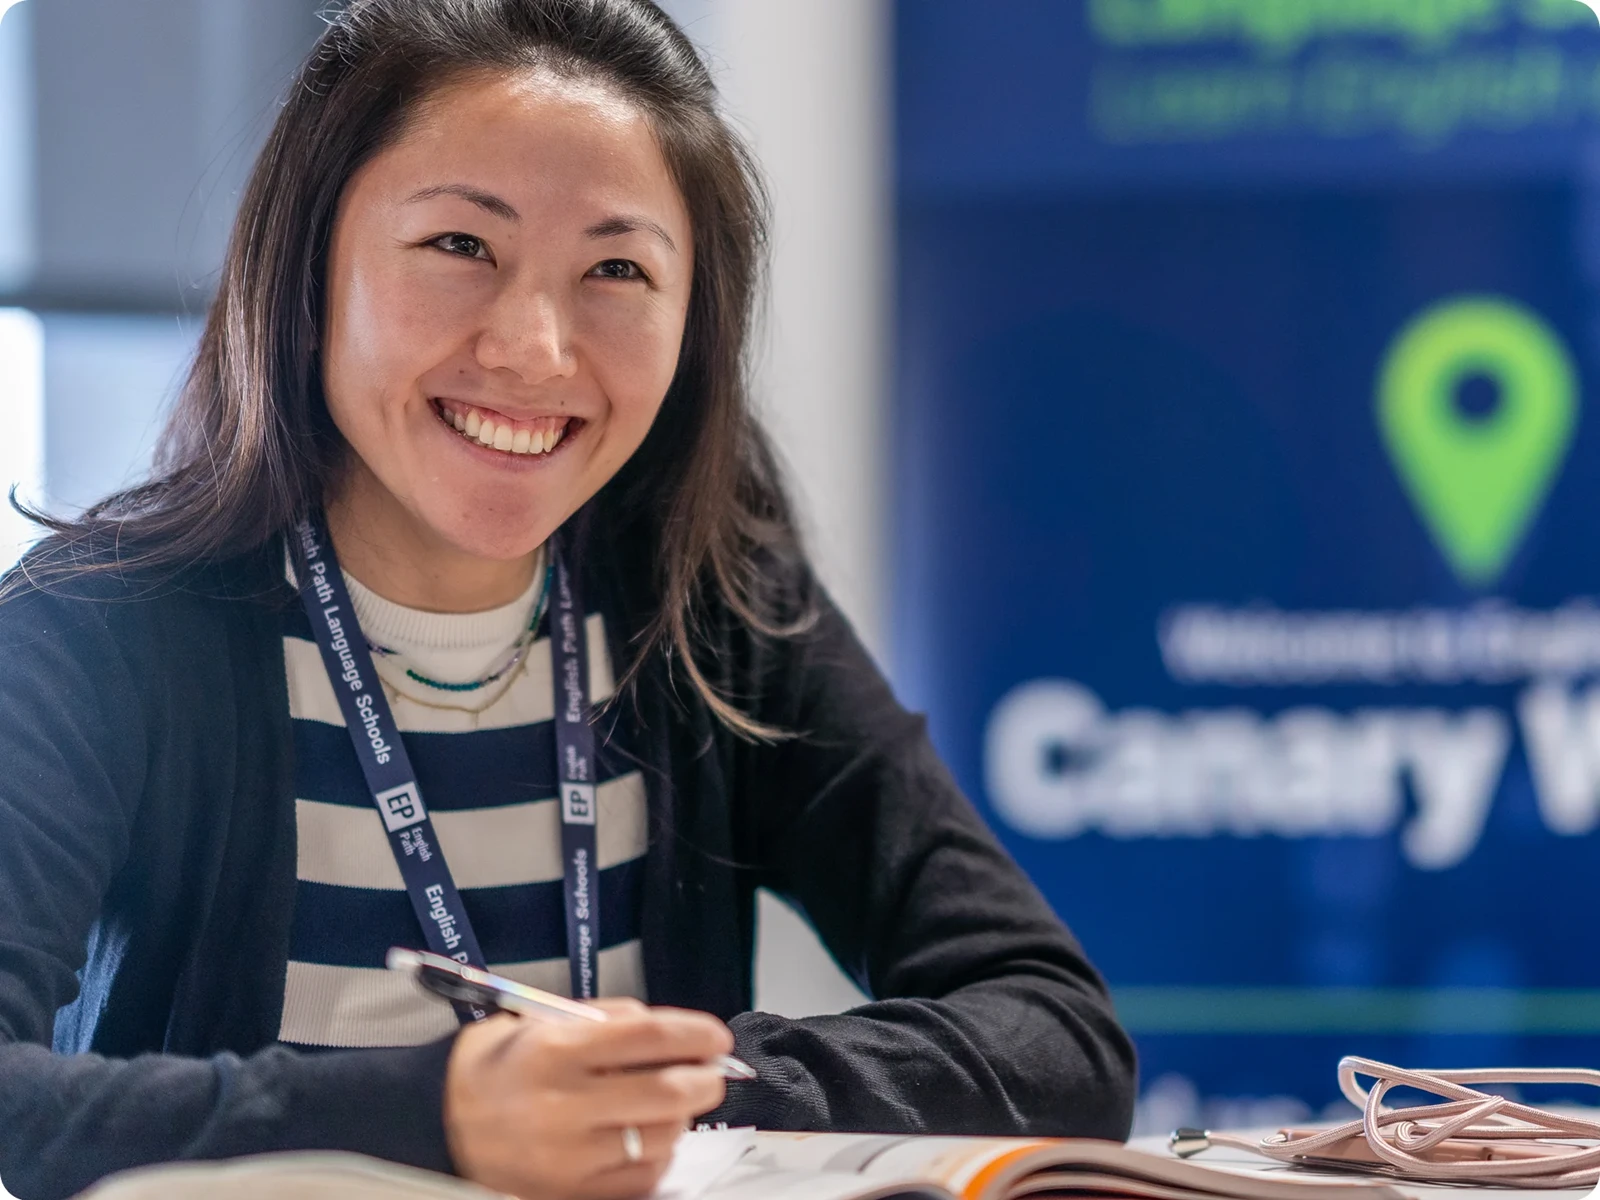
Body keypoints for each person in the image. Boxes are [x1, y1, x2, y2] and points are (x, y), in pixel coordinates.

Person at [0, 1, 1136, 1197]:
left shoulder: (713, 613)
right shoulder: (96, 634)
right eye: (460, 244)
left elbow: (1057, 1033)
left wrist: (674, 1091)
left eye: (615, 269)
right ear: (309, 263)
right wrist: (438, 1115)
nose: (534, 350)